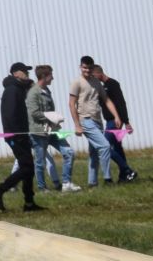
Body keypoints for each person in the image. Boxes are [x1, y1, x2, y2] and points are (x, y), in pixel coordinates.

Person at [0, 63, 44, 213]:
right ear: (15, 73)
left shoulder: (18, 88)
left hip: (20, 135)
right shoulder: (12, 90)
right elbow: (11, 114)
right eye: (24, 71)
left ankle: (29, 203)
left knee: (29, 168)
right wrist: (17, 135)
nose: (27, 73)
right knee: (26, 167)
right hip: (16, 135)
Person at [29, 65, 80, 194]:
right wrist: (50, 117)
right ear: (44, 77)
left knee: (69, 152)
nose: (53, 78)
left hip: (55, 130)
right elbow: (34, 113)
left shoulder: (47, 90)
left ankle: (66, 183)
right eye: (51, 75)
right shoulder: (33, 93)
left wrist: (54, 119)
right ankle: (42, 188)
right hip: (39, 131)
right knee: (40, 162)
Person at [68, 56, 115, 188]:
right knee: (105, 146)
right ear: (80, 67)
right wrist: (77, 125)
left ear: (92, 67)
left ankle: (92, 182)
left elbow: (106, 100)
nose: (87, 70)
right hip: (85, 120)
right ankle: (108, 179)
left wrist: (116, 116)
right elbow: (71, 104)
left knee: (94, 153)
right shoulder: (76, 82)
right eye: (84, 67)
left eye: (89, 67)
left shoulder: (96, 82)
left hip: (97, 120)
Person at [91, 63, 139, 184]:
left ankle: (128, 170)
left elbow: (121, 103)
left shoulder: (112, 84)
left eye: (93, 75)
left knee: (105, 146)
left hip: (115, 122)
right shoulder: (102, 87)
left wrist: (126, 121)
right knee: (117, 148)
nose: (92, 78)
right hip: (109, 121)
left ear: (99, 73)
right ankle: (124, 176)